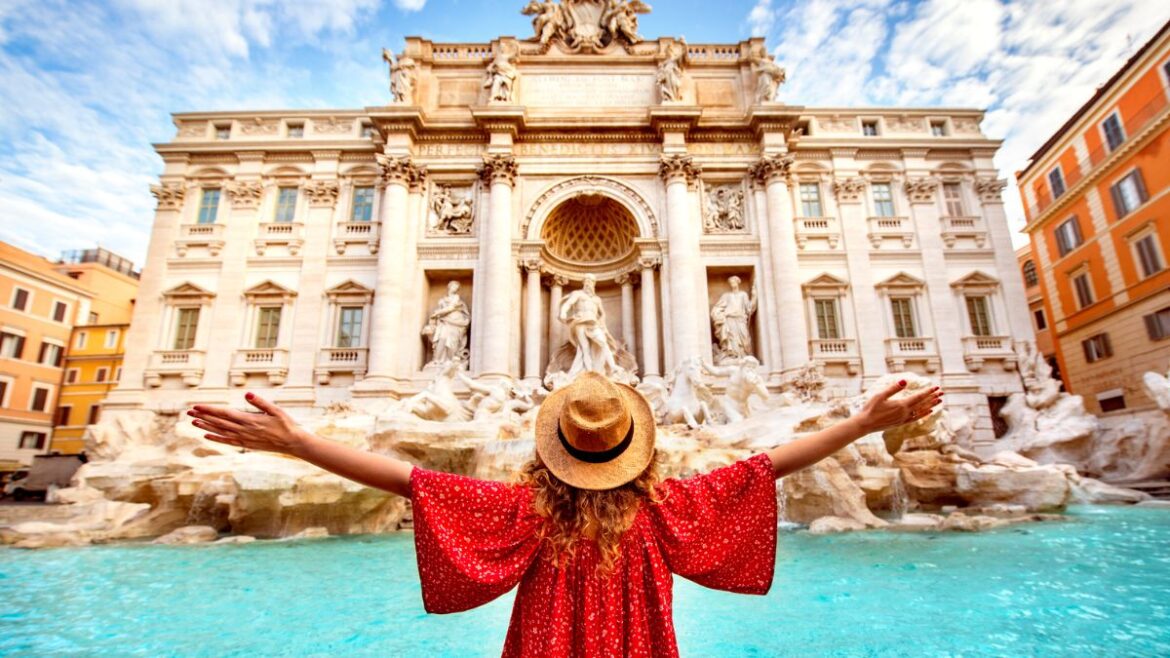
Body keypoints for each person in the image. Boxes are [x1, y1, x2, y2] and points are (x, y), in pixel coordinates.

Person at [188, 372, 941, 657]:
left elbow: (405, 481)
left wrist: (300, 443)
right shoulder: (670, 506)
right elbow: (773, 462)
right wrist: (862, 424)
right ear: (634, 450)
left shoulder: (524, 511)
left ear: (556, 450)